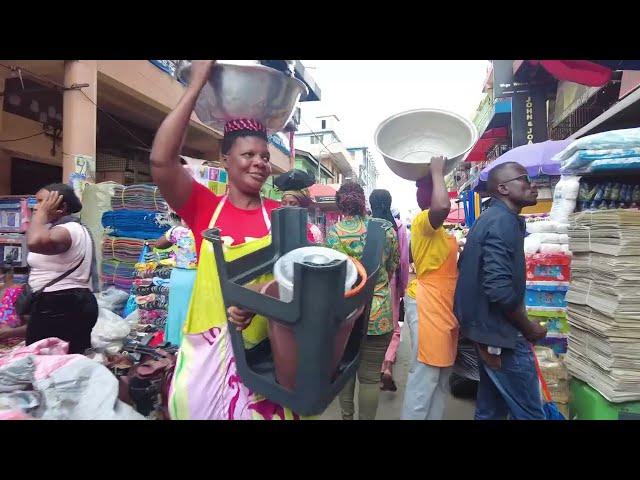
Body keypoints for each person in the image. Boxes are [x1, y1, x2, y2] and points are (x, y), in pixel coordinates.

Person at [150, 59, 304, 420]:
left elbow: (303, 287)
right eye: (248, 154)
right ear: (226, 159)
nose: (259, 163)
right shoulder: (203, 207)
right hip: (209, 357)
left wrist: (262, 302)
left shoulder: (282, 215)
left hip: (267, 363)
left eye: (265, 156)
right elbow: (160, 160)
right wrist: (196, 84)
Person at [454, 162, 547, 420]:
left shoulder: (492, 219)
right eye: (524, 180)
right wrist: (528, 327)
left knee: (491, 409)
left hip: (488, 333)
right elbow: (498, 288)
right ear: (504, 188)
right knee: (529, 414)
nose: (533, 185)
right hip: (502, 337)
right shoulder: (501, 222)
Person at [326, 182, 399, 420]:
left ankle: (347, 417)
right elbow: (390, 270)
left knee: (345, 372)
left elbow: (333, 278)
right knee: (369, 378)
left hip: (347, 315)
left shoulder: (334, 234)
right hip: (378, 314)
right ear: (363, 202)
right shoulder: (386, 229)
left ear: (340, 203)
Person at [400, 156, 458, 421]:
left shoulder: (441, 232)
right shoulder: (424, 221)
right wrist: (437, 171)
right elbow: (442, 205)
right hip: (428, 305)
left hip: (442, 307)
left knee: (441, 377)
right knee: (425, 376)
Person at [23, 183, 97, 354]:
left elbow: (35, 243)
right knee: (68, 362)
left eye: (42, 202)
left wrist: (40, 217)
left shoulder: (66, 230)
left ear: (62, 207)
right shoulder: (64, 228)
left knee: (45, 363)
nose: (36, 207)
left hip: (60, 305)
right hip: (67, 303)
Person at [368, 191, 409, 392]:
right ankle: (387, 366)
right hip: (389, 281)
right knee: (393, 326)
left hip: (367, 282)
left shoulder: (366, 226)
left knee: (371, 322)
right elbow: (402, 260)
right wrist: (403, 286)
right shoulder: (398, 228)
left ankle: (372, 365)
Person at [155, 215, 198, 347]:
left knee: (176, 311)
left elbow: (158, 244)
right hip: (197, 276)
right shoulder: (204, 231)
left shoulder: (177, 231)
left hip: (179, 276)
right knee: (192, 311)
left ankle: (174, 342)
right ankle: (192, 344)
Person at [275, 169, 323, 243]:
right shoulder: (273, 229)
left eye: (293, 204)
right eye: (284, 203)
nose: (287, 207)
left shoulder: (313, 231)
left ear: (302, 206)